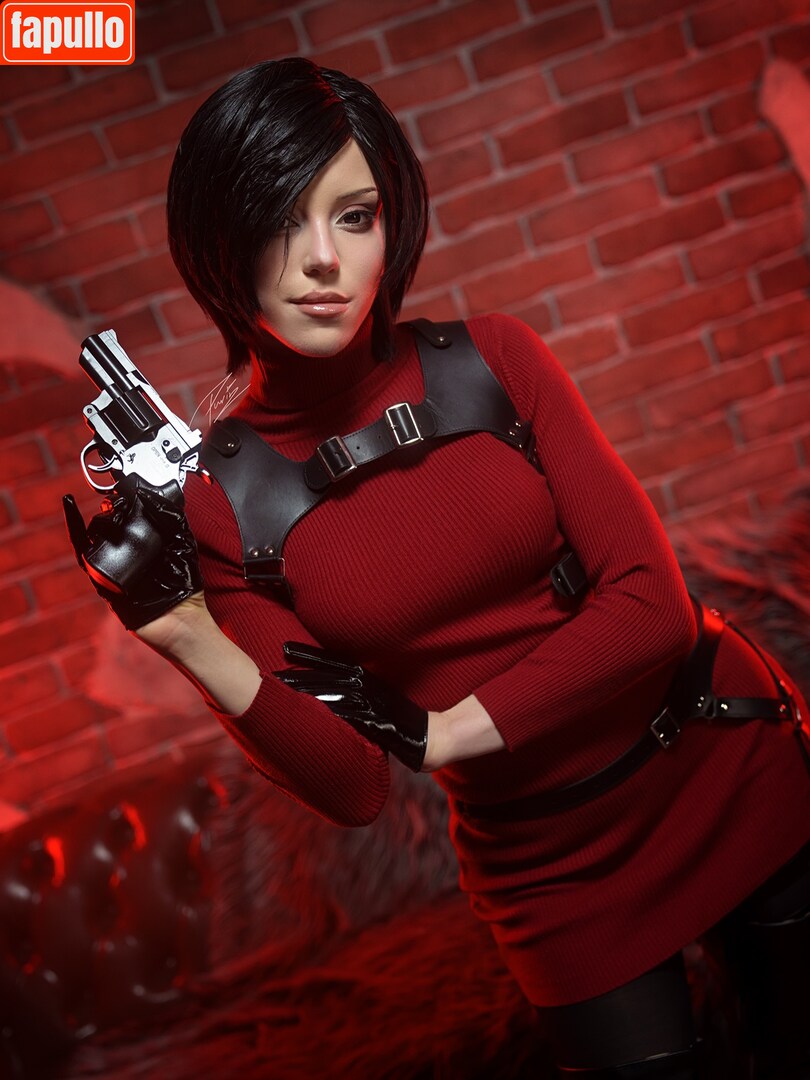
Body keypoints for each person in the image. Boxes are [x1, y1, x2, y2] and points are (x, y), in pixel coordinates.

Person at [63, 58, 810, 1078]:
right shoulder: (220, 502)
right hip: (547, 864)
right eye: (280, 222)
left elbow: (655, 610)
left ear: (394, 225)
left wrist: (448, 730)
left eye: (355, 217)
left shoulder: (497, 358)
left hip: (721, 760)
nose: (322, 260)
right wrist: (184, 632)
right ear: (216, 245)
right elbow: (356, 785)